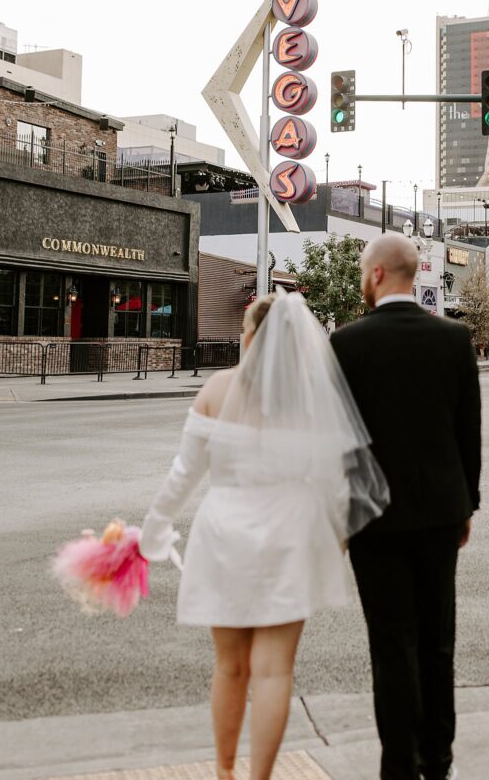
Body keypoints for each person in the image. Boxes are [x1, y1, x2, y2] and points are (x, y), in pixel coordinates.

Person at [139, 292, 388, 780]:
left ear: (250, 336)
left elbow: (183, 474)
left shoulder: (217, 388)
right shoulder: (314, 400)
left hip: (225, 533)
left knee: (229, 667)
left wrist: (155, 528)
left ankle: (225, 771)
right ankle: (261, 778)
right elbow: (338, 484)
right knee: (275, 671)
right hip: (290, 535)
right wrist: (333, 542)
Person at [330, 234, 482, 780]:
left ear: (375, 275)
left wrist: (343, 517)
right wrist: (468, 505)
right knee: (438, 642)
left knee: (391, 646)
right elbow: (469, 432)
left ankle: (397, 767)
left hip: (374, 521)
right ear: (414, 275)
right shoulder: (453, 338)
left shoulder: (346, 344)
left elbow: (339, 442)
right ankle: (437, 762)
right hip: (442, 514)